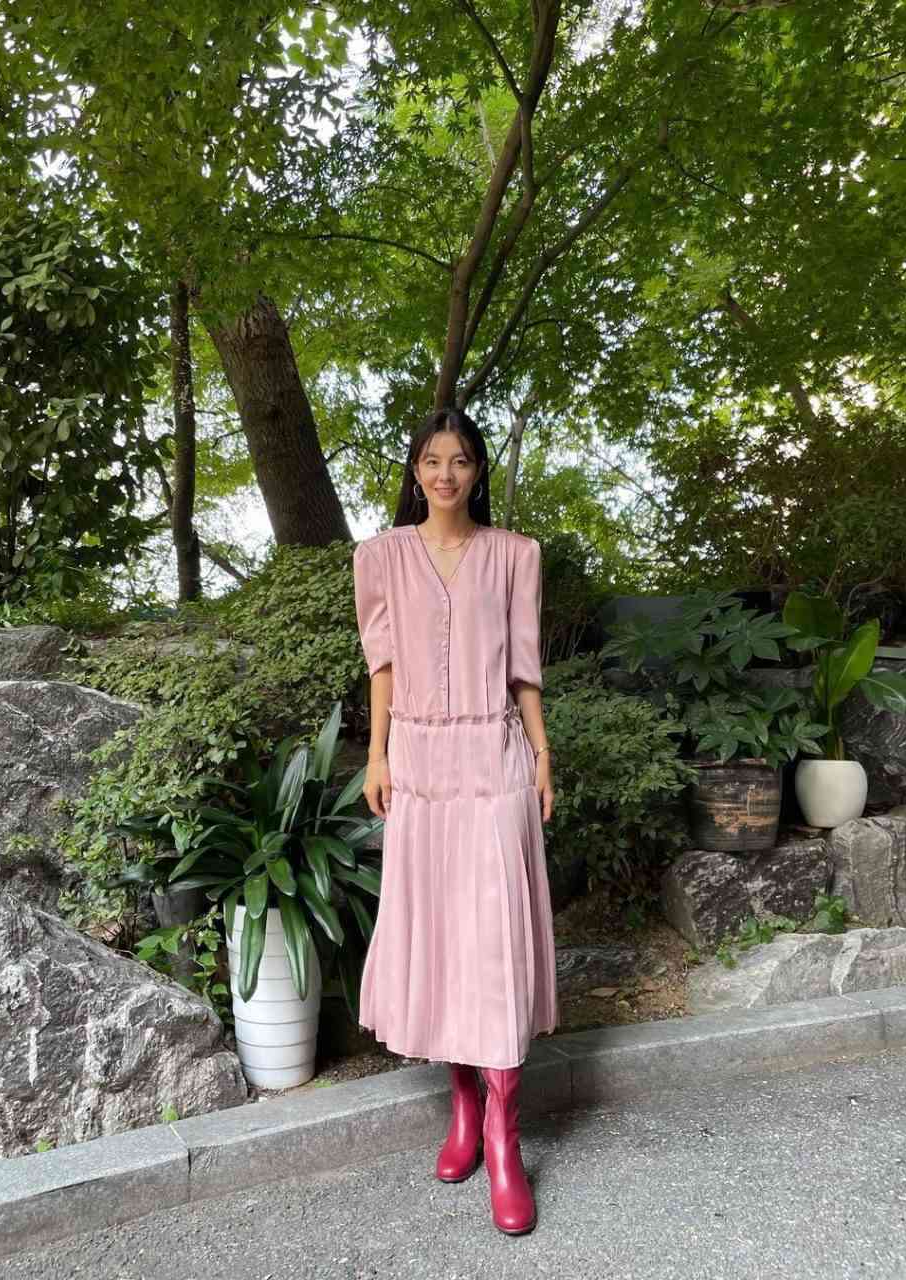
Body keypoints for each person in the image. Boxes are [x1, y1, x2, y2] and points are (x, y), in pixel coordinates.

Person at [351, 405, 557, 1236]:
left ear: (477, 471)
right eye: (432, 460)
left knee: (493, 934)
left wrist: (543, 753)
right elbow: (382, 667)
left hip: (495, 756)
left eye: (461, 460)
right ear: (415, 470)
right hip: (420, 764)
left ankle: (504, 1133)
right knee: (440, 934)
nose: (446, 474)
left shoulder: (516, 555)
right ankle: (463, 1104)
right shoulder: (380, 557)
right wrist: (376, 756)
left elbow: (524, 668)